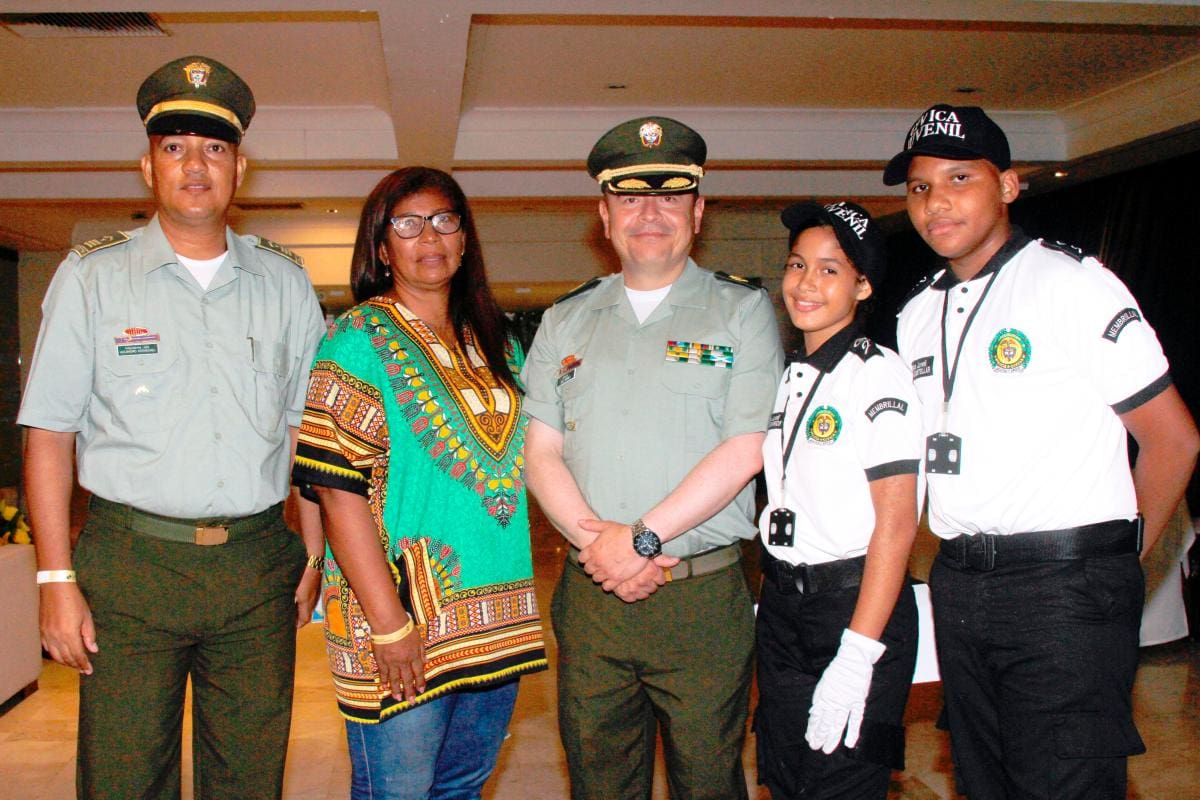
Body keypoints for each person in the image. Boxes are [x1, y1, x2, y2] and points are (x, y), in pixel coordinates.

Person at [19, 55, 326, 799]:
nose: (196, 166)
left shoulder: (284, 283)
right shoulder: (92, 277)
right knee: (124, 774)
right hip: (132, 567)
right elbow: (49, 434)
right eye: (176, 147)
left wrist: (315, 558)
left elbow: (304, 435)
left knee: (249, 776)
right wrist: (55, 578)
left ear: (240, 168)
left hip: (256, 567)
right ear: (147, 165)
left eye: (215, 149)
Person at [888, 104, 1200, 799]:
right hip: (961, 580)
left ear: (1007, 186)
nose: (936, 201)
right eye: (919, 186)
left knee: (1067, 782)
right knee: (982, 779)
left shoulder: (1069, 284)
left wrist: (1114, 566)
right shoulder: (916, 315)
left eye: (959, 177)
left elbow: (1173, 438)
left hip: (1064, 587)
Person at [521, 117, 783, 800]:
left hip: (701, 599)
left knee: (708, 783)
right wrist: (599, 545)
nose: (650, 214)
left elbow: (746, 446)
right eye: (630, 198)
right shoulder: (565, 321)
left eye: (670, 196)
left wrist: (640, 539)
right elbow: (541, 450)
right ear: (604, 215)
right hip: (593, 595)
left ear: (698, 212)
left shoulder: (743, 311)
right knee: (598, 783)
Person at [291, 166, 547, 800]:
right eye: (407, 224)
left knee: (459, 789)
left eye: (445, 220)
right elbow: (335, 488)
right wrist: (388, 623)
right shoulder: (355, 341)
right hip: (402, 620)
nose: (428, 236)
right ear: (382, 247)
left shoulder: (498, 344)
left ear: (465, 240)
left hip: (499, 616)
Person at [755, 201, 921, 799]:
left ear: (864, 284)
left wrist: (857, 654)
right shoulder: (792, 374)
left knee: (842, 784)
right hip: (783, 609)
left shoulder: (877, 375)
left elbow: (897, 525)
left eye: (830, 269)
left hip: (853, 610)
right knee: (787, 777)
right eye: (798, 264)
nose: (805, 283)